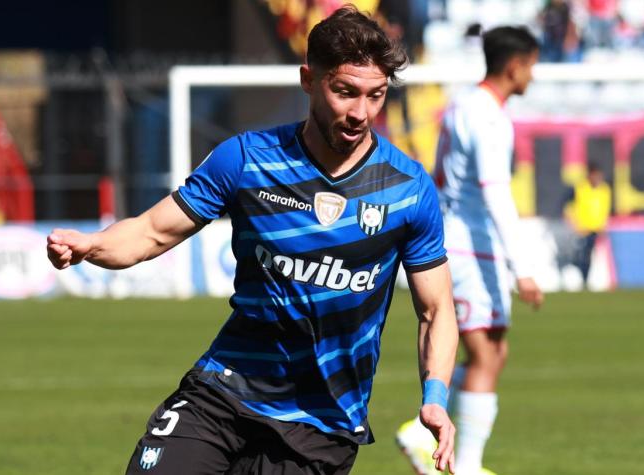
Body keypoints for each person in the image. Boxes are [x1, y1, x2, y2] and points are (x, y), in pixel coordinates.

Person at [46, 6, 459, 475]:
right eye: (345, 92)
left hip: (321, 424)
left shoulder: (407, 189)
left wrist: (436, 396)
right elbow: (151, 231)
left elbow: (436, 309)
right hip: (223, 393)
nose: (360, 113)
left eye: (376, 95)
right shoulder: (245, 160)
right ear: (309, 79)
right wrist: (91, 246)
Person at [396, 26, 544, 475]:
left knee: (493, 352)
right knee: (484, 354)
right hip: (468, 246)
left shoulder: (467, 103)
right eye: (532, 68)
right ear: (515, 66)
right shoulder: (488, 117)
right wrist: (524, 267)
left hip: (464, 241)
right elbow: (495, 192)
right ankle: (467, 465)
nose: (533, 77)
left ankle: (421, 433)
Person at [567, 163, 611, 288]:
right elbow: (569, 207)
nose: (598, 178)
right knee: (581, 255)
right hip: (582, 229)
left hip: (596, 229)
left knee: (589, 255)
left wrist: (603, 225)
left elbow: (604, 209)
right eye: (596, 175)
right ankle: (581, 278)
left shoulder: (605, 189)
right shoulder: (579, 188)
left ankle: (585, 280)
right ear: (590, 174)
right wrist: (575, 224)